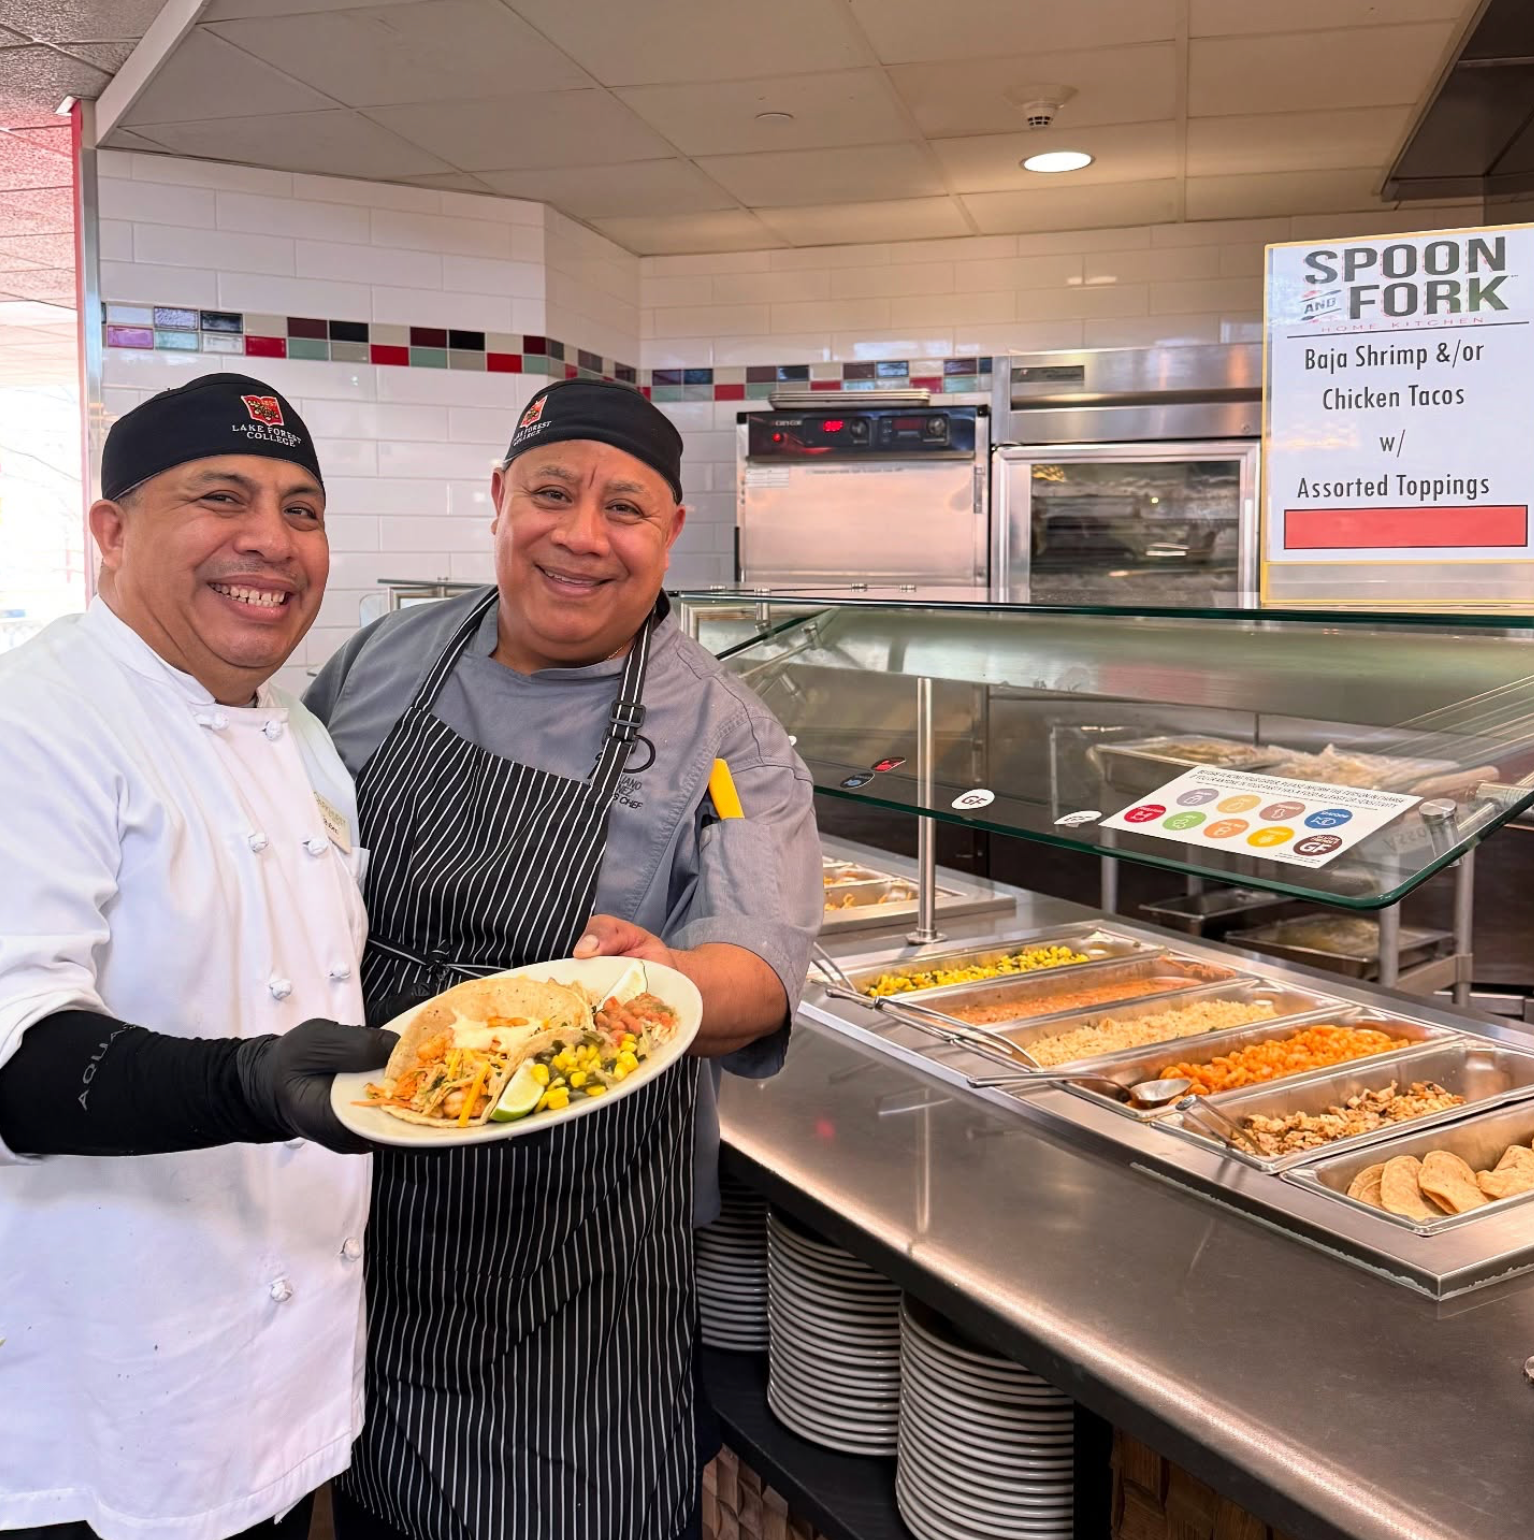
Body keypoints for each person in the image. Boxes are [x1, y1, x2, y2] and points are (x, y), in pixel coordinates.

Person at [305, 378, 822, 1540]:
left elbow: (759, 971)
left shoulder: (724, 734)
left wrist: (669, 983)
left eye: (625, 509)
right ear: (497, 500)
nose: (582, 536)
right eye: (550, 493)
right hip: (361, 1188)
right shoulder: (387, 657)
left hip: (573, 1245)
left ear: (670, 533)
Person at [0, 374, 395, 1540]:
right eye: (221, 497)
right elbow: (18, 1057)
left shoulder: (307, 740)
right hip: (99, 1406)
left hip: (278, 1388)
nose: (270, 540)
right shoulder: (39, 719)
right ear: (111, 530)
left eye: (302, 508)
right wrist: (249, 1083)